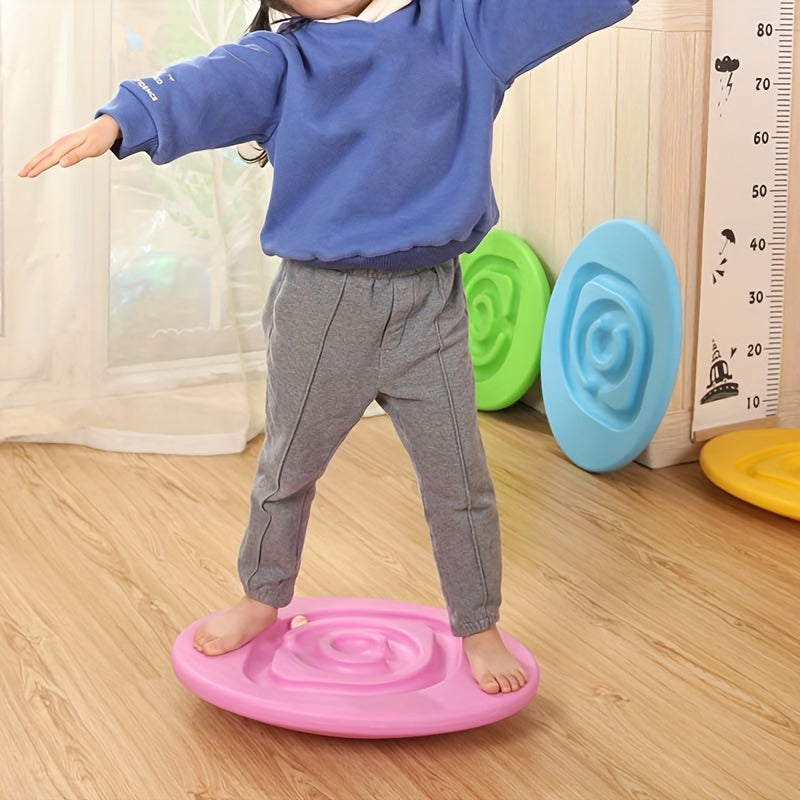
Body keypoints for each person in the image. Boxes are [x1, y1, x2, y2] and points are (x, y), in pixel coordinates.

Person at [20, 0, 637, 694]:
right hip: (322, 308)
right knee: (287, 469)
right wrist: (119, 121)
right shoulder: (282, 61)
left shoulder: (462, 28)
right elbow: (203, 85)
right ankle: (261, 596)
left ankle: (478, 623)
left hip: (431, 304)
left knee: (461, 480)